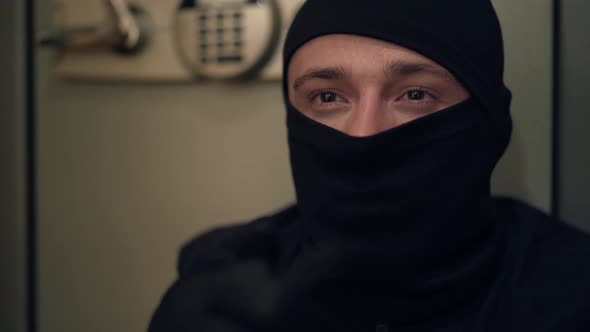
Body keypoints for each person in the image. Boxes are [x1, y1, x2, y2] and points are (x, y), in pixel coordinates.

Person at [148, 0, 590, 331]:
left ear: (489, 122)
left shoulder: (570, 294)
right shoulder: (230, 288)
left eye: (414, 95)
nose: (363, 134)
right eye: (328, 97)